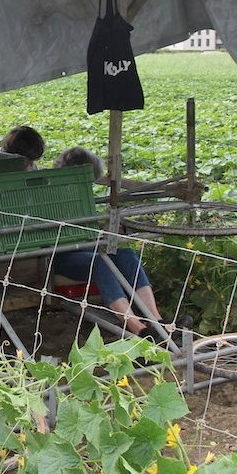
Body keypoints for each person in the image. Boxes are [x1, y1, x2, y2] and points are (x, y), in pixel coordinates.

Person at [51, 145, 168, 339]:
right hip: (63, 255)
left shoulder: (82, 195)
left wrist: (104, 233)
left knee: (128, 255)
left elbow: (87, 231)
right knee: (100, 262)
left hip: (87, 248)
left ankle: (156, 320)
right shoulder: (53, 194)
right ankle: (136, 326)